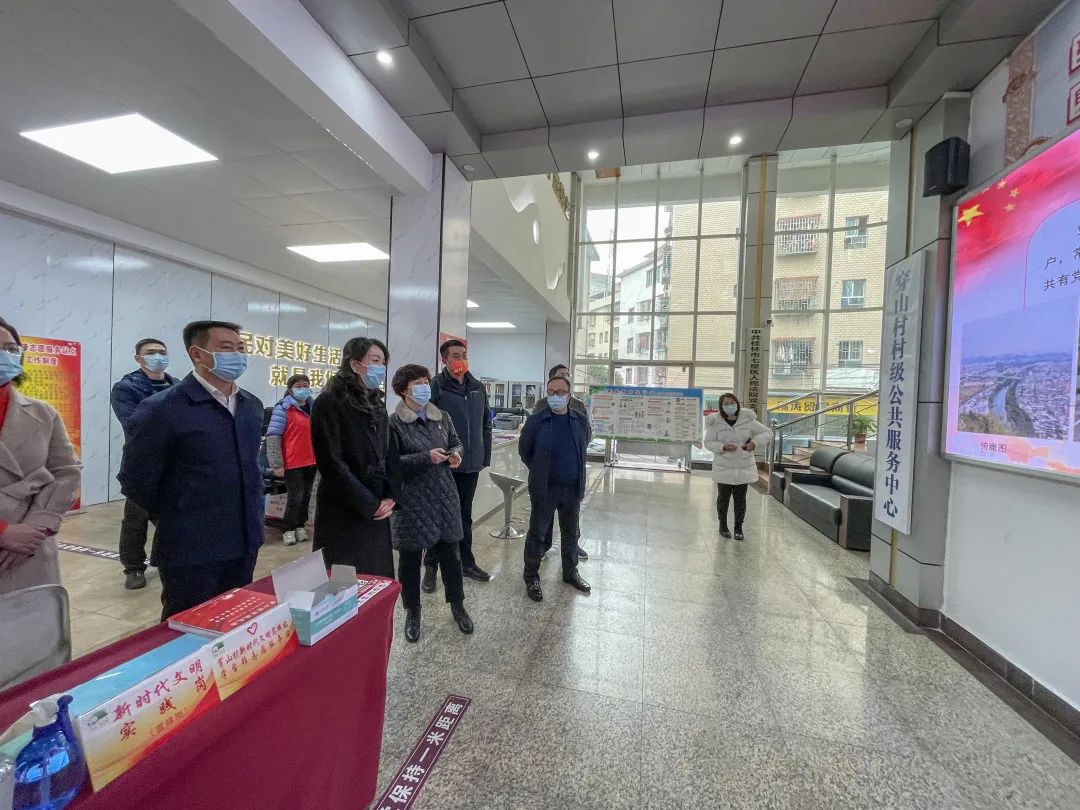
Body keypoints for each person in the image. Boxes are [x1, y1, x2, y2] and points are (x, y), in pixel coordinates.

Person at [118, 321, 264, 620]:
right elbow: (135, 478)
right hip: (191, 545)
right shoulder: (163, 408)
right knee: (188, 624)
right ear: (197, 354)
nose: (237, 355)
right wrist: (177, 513)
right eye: (226, 348)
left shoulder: (251, 405)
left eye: (240, 348)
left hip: (244, 538)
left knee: (234, 620)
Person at [388, 364, 474, 642]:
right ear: (403, 390)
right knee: (410, 562)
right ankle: (412, 612)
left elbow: (456, 442)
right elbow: (391, 464)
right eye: (418, 383)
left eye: (426, 381)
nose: (425, 386)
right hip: (411, 501)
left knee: (451, 556)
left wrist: (456, 454)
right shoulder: (394, 423)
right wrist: (426, 458)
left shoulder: (442, 417)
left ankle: (458, 606)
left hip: (444, 497)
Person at [0, 317, 81, 594]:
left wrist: (37, 527)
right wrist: (3, 532)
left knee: (32, 617)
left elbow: (66, 472)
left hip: (30, 548)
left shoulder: (43, 412)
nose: (5, 355)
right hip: (10, 536)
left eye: (11, 348)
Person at [310, 337, 396, 578]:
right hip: (345, 505)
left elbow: (388, 452)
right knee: (344, 581)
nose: (380, 368)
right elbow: (331, 463)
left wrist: (390, 495)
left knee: (376, 580)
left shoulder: (376, 403)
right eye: (375, 360)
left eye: (383, 362)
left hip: (378, 503)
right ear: (355, 364)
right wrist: (368, 504)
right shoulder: (329, 402)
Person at [421, 339, 492, 593]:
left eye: (463, 355)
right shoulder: (436, 386)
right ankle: (431, 567)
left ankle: (466, 563)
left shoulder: (477, 387)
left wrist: (484, 457)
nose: (460, 359)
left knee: (464, 516)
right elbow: (426, 424)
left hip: (470, 465)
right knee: (439, 516)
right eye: (455, 355)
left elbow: (485, 424)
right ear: (444, 360)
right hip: (446, 464)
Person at [110, 337, 178, 590]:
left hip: (175, 464)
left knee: (174, 517)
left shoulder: (178, 386)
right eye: (151, 352)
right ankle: (133, 567)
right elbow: (134, 424)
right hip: (143, 464)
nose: (158, 356)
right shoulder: (126, 388)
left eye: (162, 352)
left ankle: (171, 559)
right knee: (136, 519)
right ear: (138, 358)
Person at [519, 374, 591, 602]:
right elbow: (525, 451)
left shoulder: (580, 420)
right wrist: (539, 469)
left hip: (572, 487)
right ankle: (531, 577)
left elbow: (584, 443)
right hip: (545, 488)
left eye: (560, 393)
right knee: (537, 533)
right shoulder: (536, 421)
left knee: (571, 533)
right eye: (551, 392)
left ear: (569, 396)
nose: (555, 396)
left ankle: (570, 572)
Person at [532, 364, 590, 561]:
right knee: (543, 518)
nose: (566, 377)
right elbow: (528, 444)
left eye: (567, 375)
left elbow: (586, 435)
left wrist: (574, 453)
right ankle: (543, 546)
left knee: (571, 520)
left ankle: (573, 549)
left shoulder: (578, 406)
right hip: (547, 477)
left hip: (571, 475)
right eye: (561, 375)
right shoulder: (541, 405)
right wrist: (540, 464)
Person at [703, 393, 770, 540]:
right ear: (721, 406)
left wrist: (754, 443)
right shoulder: (715, 421)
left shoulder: (747, 418)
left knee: (740, 499)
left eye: (731, 402)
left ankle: (738, 528)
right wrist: (722, 447)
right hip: (723, 466)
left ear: (737, 403)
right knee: (723, 499)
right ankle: (723, 526)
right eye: (725, 404)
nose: (729, 406)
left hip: (743, 466)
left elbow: (767, 432)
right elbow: (708, 442)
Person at [266, 374, 316, 547]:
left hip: (311, 461)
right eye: (298, 386)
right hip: (292, 461)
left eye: (306, 385)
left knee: (307, 496)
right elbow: (273, 436)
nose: (303, 389)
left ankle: (300, 526)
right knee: (296, 496)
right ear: (290, 389)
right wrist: (277, 464)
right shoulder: (283, 408)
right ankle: (288, 529)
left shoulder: (314, 407)